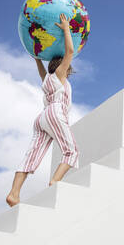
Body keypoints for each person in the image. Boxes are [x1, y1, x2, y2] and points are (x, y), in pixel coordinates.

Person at [6, 13, 79, 207]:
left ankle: (14, 193)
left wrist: (36, 56)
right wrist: (65, 29)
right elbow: (70, 51)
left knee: (32, 155)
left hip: (42, 118)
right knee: (71, 152)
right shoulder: (60, 75)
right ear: (63, 66)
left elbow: (40, 70)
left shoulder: (47, 78)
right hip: (55, 113)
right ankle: (55, 181)